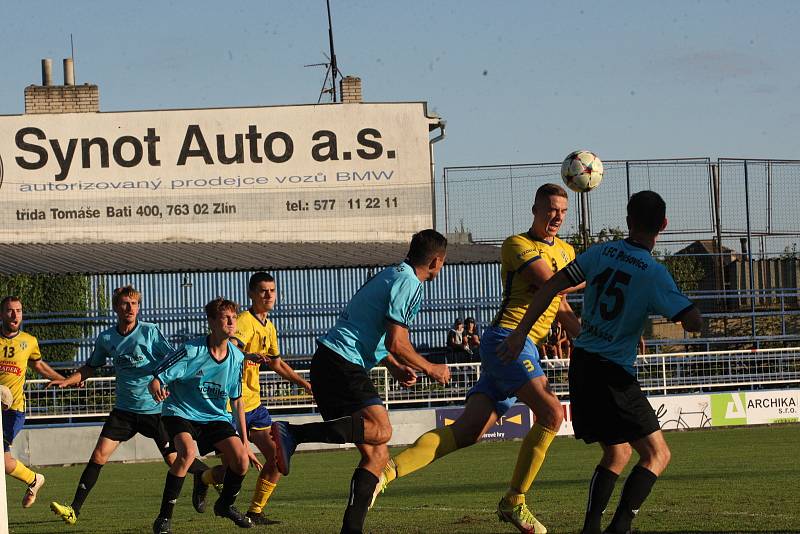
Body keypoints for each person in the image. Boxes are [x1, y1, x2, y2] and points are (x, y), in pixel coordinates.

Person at [375, 183, 582, 534]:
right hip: (508, 339)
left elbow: (559, 304)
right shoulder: (517, 244)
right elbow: (550, 283)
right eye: (550, 209)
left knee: (468, 431)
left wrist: (588, 341)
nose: (556, 216)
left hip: (524, 348)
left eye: (562, 211)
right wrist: (594, 272)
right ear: (534, 210)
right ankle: (515, 501)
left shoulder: (566, 251)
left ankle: (386, 472)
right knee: (551, 412)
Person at [498, 190, 703, 534]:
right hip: (613, 374)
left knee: (618, 453)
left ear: (627, 221)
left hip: (583, 366)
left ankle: (590, 528)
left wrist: (520, 332)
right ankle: (618, 529)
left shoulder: (599, 253)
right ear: (663, 226)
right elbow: (692, 321)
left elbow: (551, 289)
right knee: (657, 455)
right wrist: (684, 307)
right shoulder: (654, 274)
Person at [270, 229, 451, 534]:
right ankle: (293, 433)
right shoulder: (409, 282)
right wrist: (432, 368)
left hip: (332, 361)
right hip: (341, 362)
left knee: (377, 455)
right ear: (436, 261)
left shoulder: (392, 274)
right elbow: (397, 341)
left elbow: (373, 332)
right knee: (383, 430)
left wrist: (393, 366)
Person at [48, 286, 211, 524]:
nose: (130, 308)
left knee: (174, 459)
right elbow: (90, 367)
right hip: (124, 411)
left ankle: (203, 477)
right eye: (125, 303)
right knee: (98, 455)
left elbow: (173, 360)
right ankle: (73, 509)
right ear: (116, 307)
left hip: (155, 410)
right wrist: (67, 380)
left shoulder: (150, 332)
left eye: (134, 303)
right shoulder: (106, 338)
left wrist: (168, 383)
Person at [197, 272, 312, 526]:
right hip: (230, 405)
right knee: (233, 470)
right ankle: (203, 478)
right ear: (251, 294)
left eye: (272, 290)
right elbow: (231, 347)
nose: (269, 295)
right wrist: (248, 354)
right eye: (263, 290)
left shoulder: (269, 326)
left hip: (255, 404)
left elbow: (276, 363)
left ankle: (255, 511)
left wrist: (302, 382)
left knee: (277, 458)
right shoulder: (244, 321)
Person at [149, 297, 261, 533]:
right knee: (187, 454)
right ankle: (164, 519)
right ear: (211, 321)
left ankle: (224, 504)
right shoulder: (192, 350)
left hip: (215, 417)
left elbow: (237, 400)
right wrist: (157, 384)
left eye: (234, 317)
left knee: (240, 462)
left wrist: (245, 441)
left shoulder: (237, 358)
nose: (231, 322)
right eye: (225, 317)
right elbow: (158, 375)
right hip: (180, 412)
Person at [1, 295, 66, 508]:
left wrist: (64, 380)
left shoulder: (29, 341)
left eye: (18, 310)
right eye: (10, 310)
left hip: (13, 410)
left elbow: (39, 366)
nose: (14, 315)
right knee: (4, 461)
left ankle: (33, 479)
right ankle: (33, 479)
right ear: (2, 314)